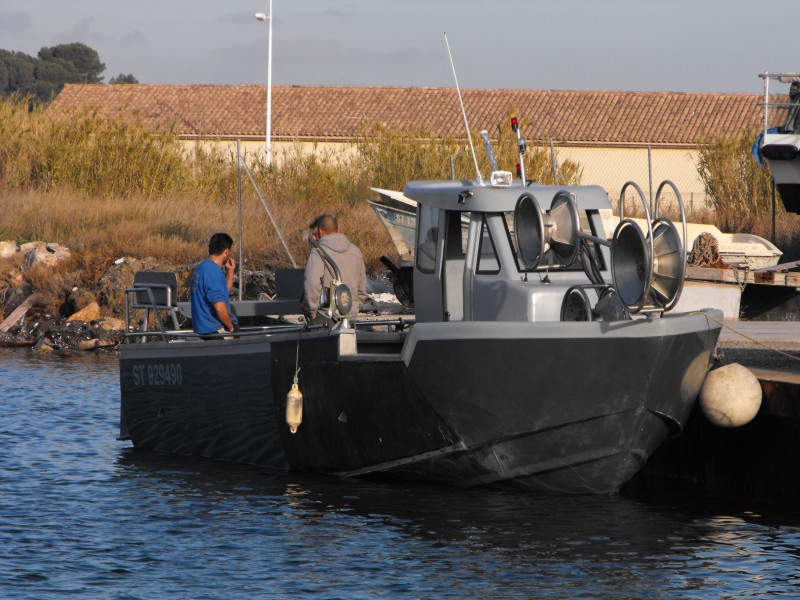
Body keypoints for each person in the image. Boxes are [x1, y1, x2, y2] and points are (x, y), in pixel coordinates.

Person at [303, 214, 367, 324]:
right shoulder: (356, 252)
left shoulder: (318, 253)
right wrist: (354, 307)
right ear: (338, 229)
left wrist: (312, 312)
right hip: (350, 316)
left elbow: (312, 284)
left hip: (325, 316)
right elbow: (362, 288)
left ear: (321, 232)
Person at [190, 232, 238, 335]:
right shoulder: (213, 272)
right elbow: (219, 307)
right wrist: (230, 327)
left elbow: (224, 290)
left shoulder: (201, 268)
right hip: (214, 330)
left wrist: (230, 271)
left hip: (201, 329)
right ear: (226, 251)